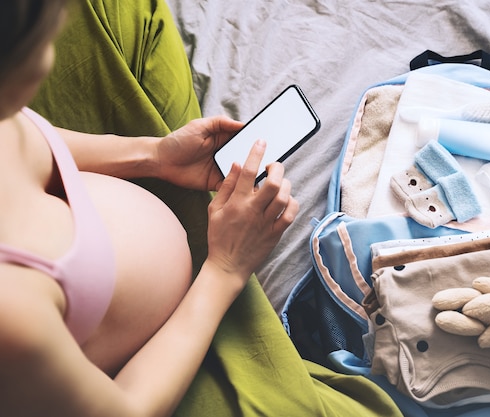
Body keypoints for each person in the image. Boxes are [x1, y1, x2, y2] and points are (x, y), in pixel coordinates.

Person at [0, 1, 404, 416]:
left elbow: (30, 142)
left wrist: (154, 156)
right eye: (45, 39)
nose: (53, 51)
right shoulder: (14, 317)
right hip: (154, 360)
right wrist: (226, 269)